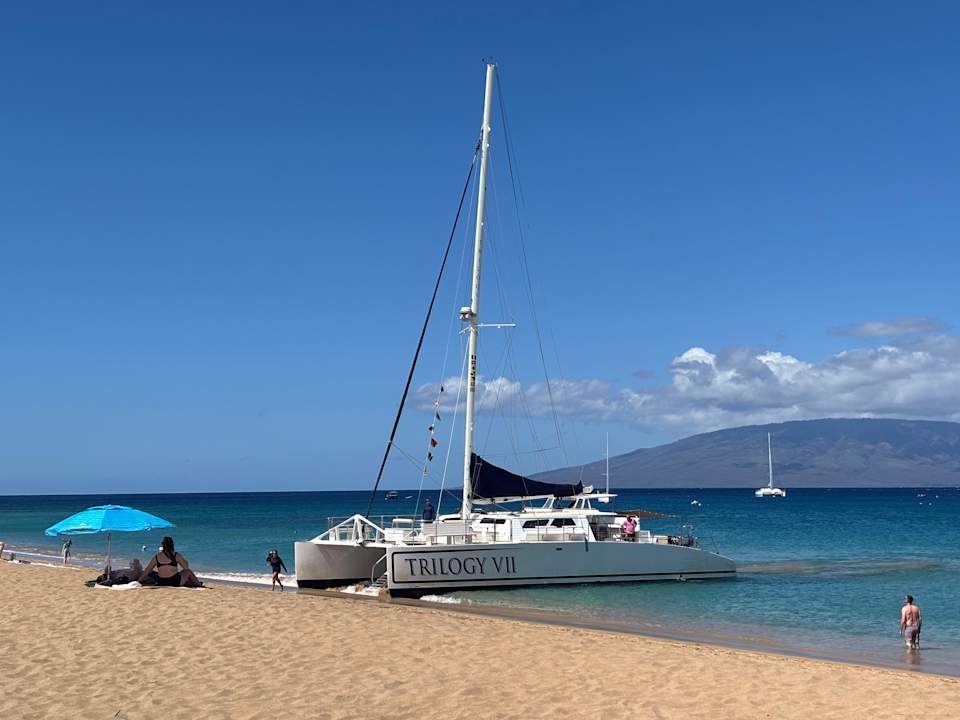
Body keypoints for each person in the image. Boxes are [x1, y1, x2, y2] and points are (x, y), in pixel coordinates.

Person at [138, 536, 202, 588]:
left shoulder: (157, 556)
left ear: (162, 545)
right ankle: (199, 584)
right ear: (172, 545)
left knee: (151, 572)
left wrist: (139, 580)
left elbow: (147, 570)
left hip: (161, 581)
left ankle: (192, 583)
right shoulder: (175, 555)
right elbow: (186, 567)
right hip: (174, 581)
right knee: (188, 571)